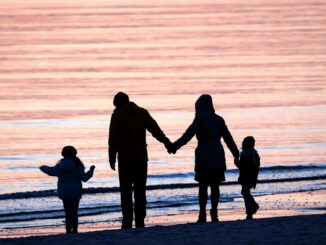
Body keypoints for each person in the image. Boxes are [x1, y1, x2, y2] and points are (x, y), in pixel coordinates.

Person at [108, 92, 174, 229]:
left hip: (125, 160)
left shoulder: (117, 115)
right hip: (140, 159)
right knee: (140, 191)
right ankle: (140, 220)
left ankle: (127, 220)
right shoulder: (141, 112)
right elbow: (156, 130)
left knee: (126, 192)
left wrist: (112, 157)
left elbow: (113, 138)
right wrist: (167, 143)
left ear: (118, 104)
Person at [172, 94, 239, 223]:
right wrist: (236, 154)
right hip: (217, 156)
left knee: (203, 186)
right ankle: (214, 212)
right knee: (215, 186)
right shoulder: (219, 120)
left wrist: (174, 146)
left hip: (203, 156)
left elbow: (187, 136)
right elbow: (228, 139)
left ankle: (202, 213)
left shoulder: (199, 119)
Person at [40, 146, 95, 233]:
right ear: (74, 153)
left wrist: (43, 167)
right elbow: (84, 178)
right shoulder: (78, 164)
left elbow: (51, 171)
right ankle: (75, 229)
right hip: (75, 191)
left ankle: (68, 229)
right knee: (74, 211)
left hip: (64, 192)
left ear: (63, 154)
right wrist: (91, 171)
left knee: (67, 212)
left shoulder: (60, 165)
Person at [237, 136, 260, 220]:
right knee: (245, 192)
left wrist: (237, 163)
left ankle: (251, 210)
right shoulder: (253, 153)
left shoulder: (246, 153)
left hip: (247, 175)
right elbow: (256, 167)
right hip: (250, 175)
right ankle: (251, 208)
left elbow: (243, 166)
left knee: (245, 192)